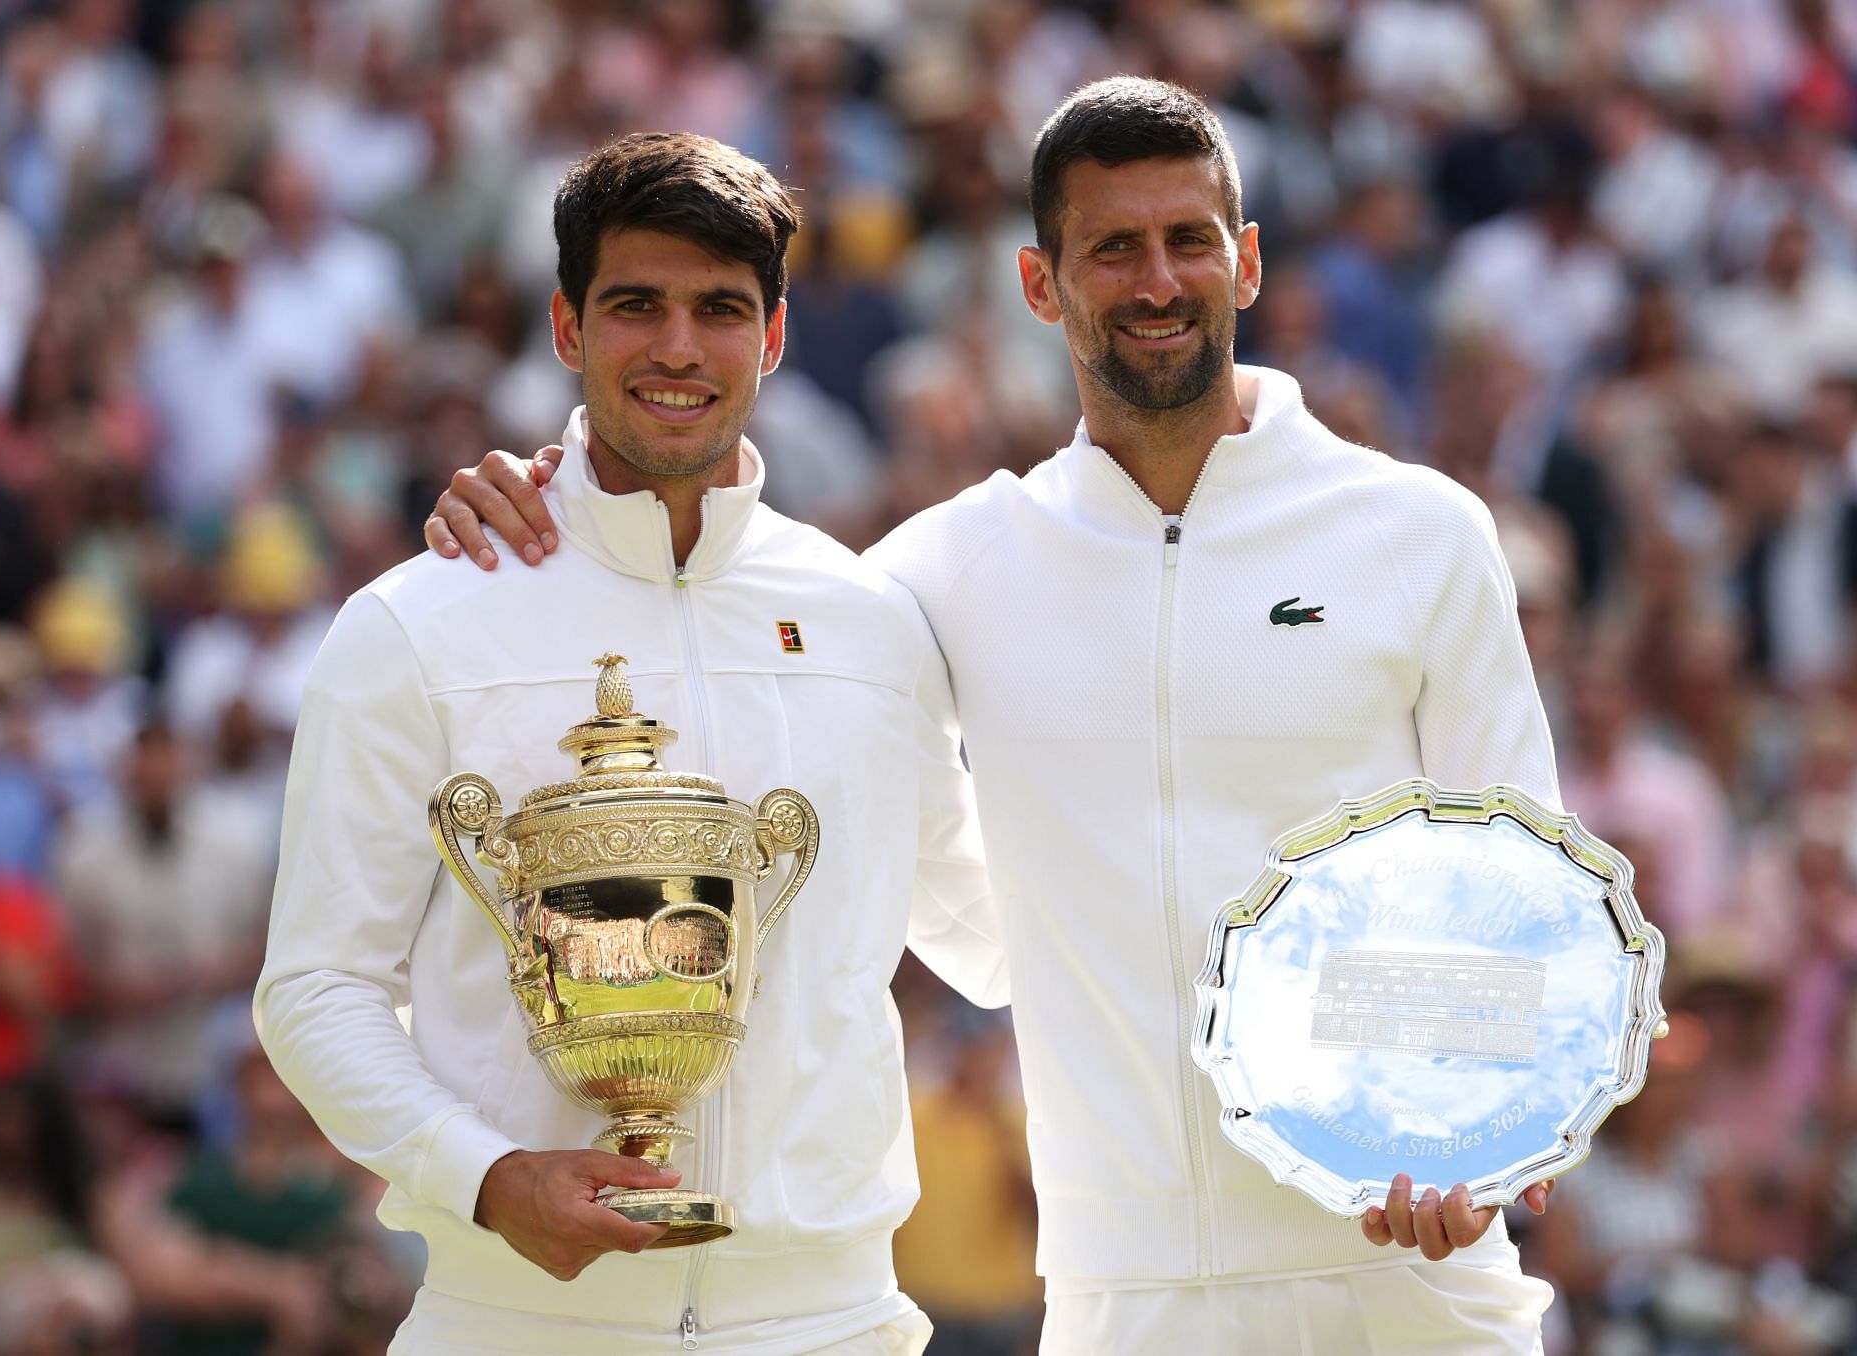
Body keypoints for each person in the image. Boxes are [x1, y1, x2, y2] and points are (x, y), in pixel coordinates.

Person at [428, 80, 1561, 1352]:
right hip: (1118, 1302)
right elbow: (705, 588)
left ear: (1245, 264)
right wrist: (549, 505)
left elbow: (1528, 890)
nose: (1156, 279)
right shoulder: (939, 571)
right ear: (1040, 284)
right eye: (1111, 248)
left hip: (1412, 1275)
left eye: (1189, 240)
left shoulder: (1420, 536)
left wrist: (1495, 1139)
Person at [256, 132, 1001, 1356]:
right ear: (565, 326)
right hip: (513, 1320)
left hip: (832, 1322)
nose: (675, 348)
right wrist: (488, 1178)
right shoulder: (415, 621)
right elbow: (316, 988)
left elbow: (995, 936)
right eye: (635, 306)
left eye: (719, 309)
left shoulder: (869, 624)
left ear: (771, 337)